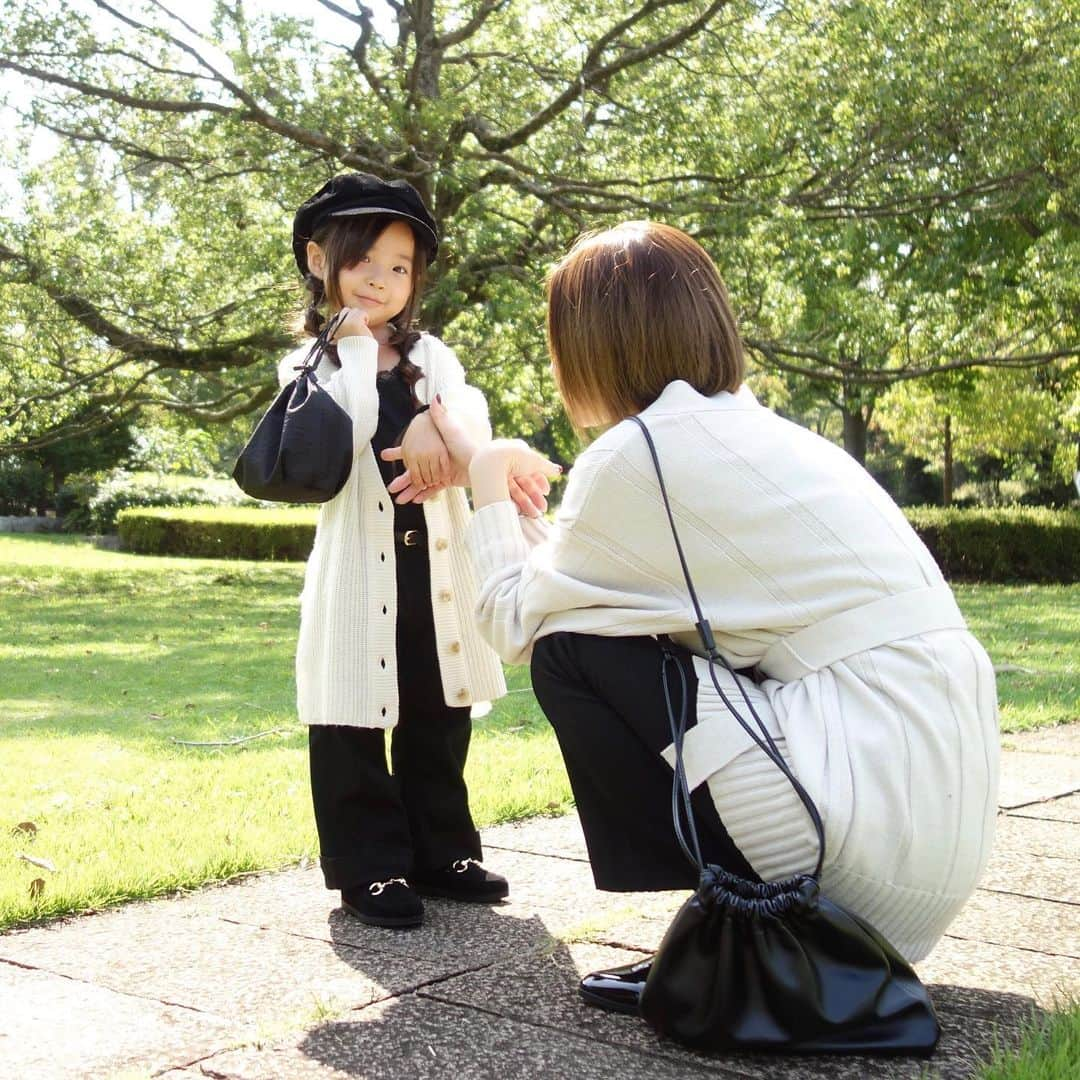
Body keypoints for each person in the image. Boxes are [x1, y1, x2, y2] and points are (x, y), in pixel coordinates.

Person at [413, 221, 999, 1010]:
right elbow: (595, 584)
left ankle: (746, 922)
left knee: (571, 652)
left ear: (592, 346)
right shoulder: (759, 437)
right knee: (598, 631)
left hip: (848, 857)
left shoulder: (638, 454)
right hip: (919, 834)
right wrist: (513, 510)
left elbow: (520, 623)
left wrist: (484, 477)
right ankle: (737, 925)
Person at [281, 172, 549, 929]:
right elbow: (346, 430)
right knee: (352, 721)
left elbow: (468, 412)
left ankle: (444, 849)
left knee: (439, 711)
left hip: (435, 571)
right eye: (364, 259)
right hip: (359, 578)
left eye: (399, 267)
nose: (382, 278)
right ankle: (368, 868)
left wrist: (439, 422)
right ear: (318, 259)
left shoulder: (433, 353)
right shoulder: (311, 364)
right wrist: (360, 349)